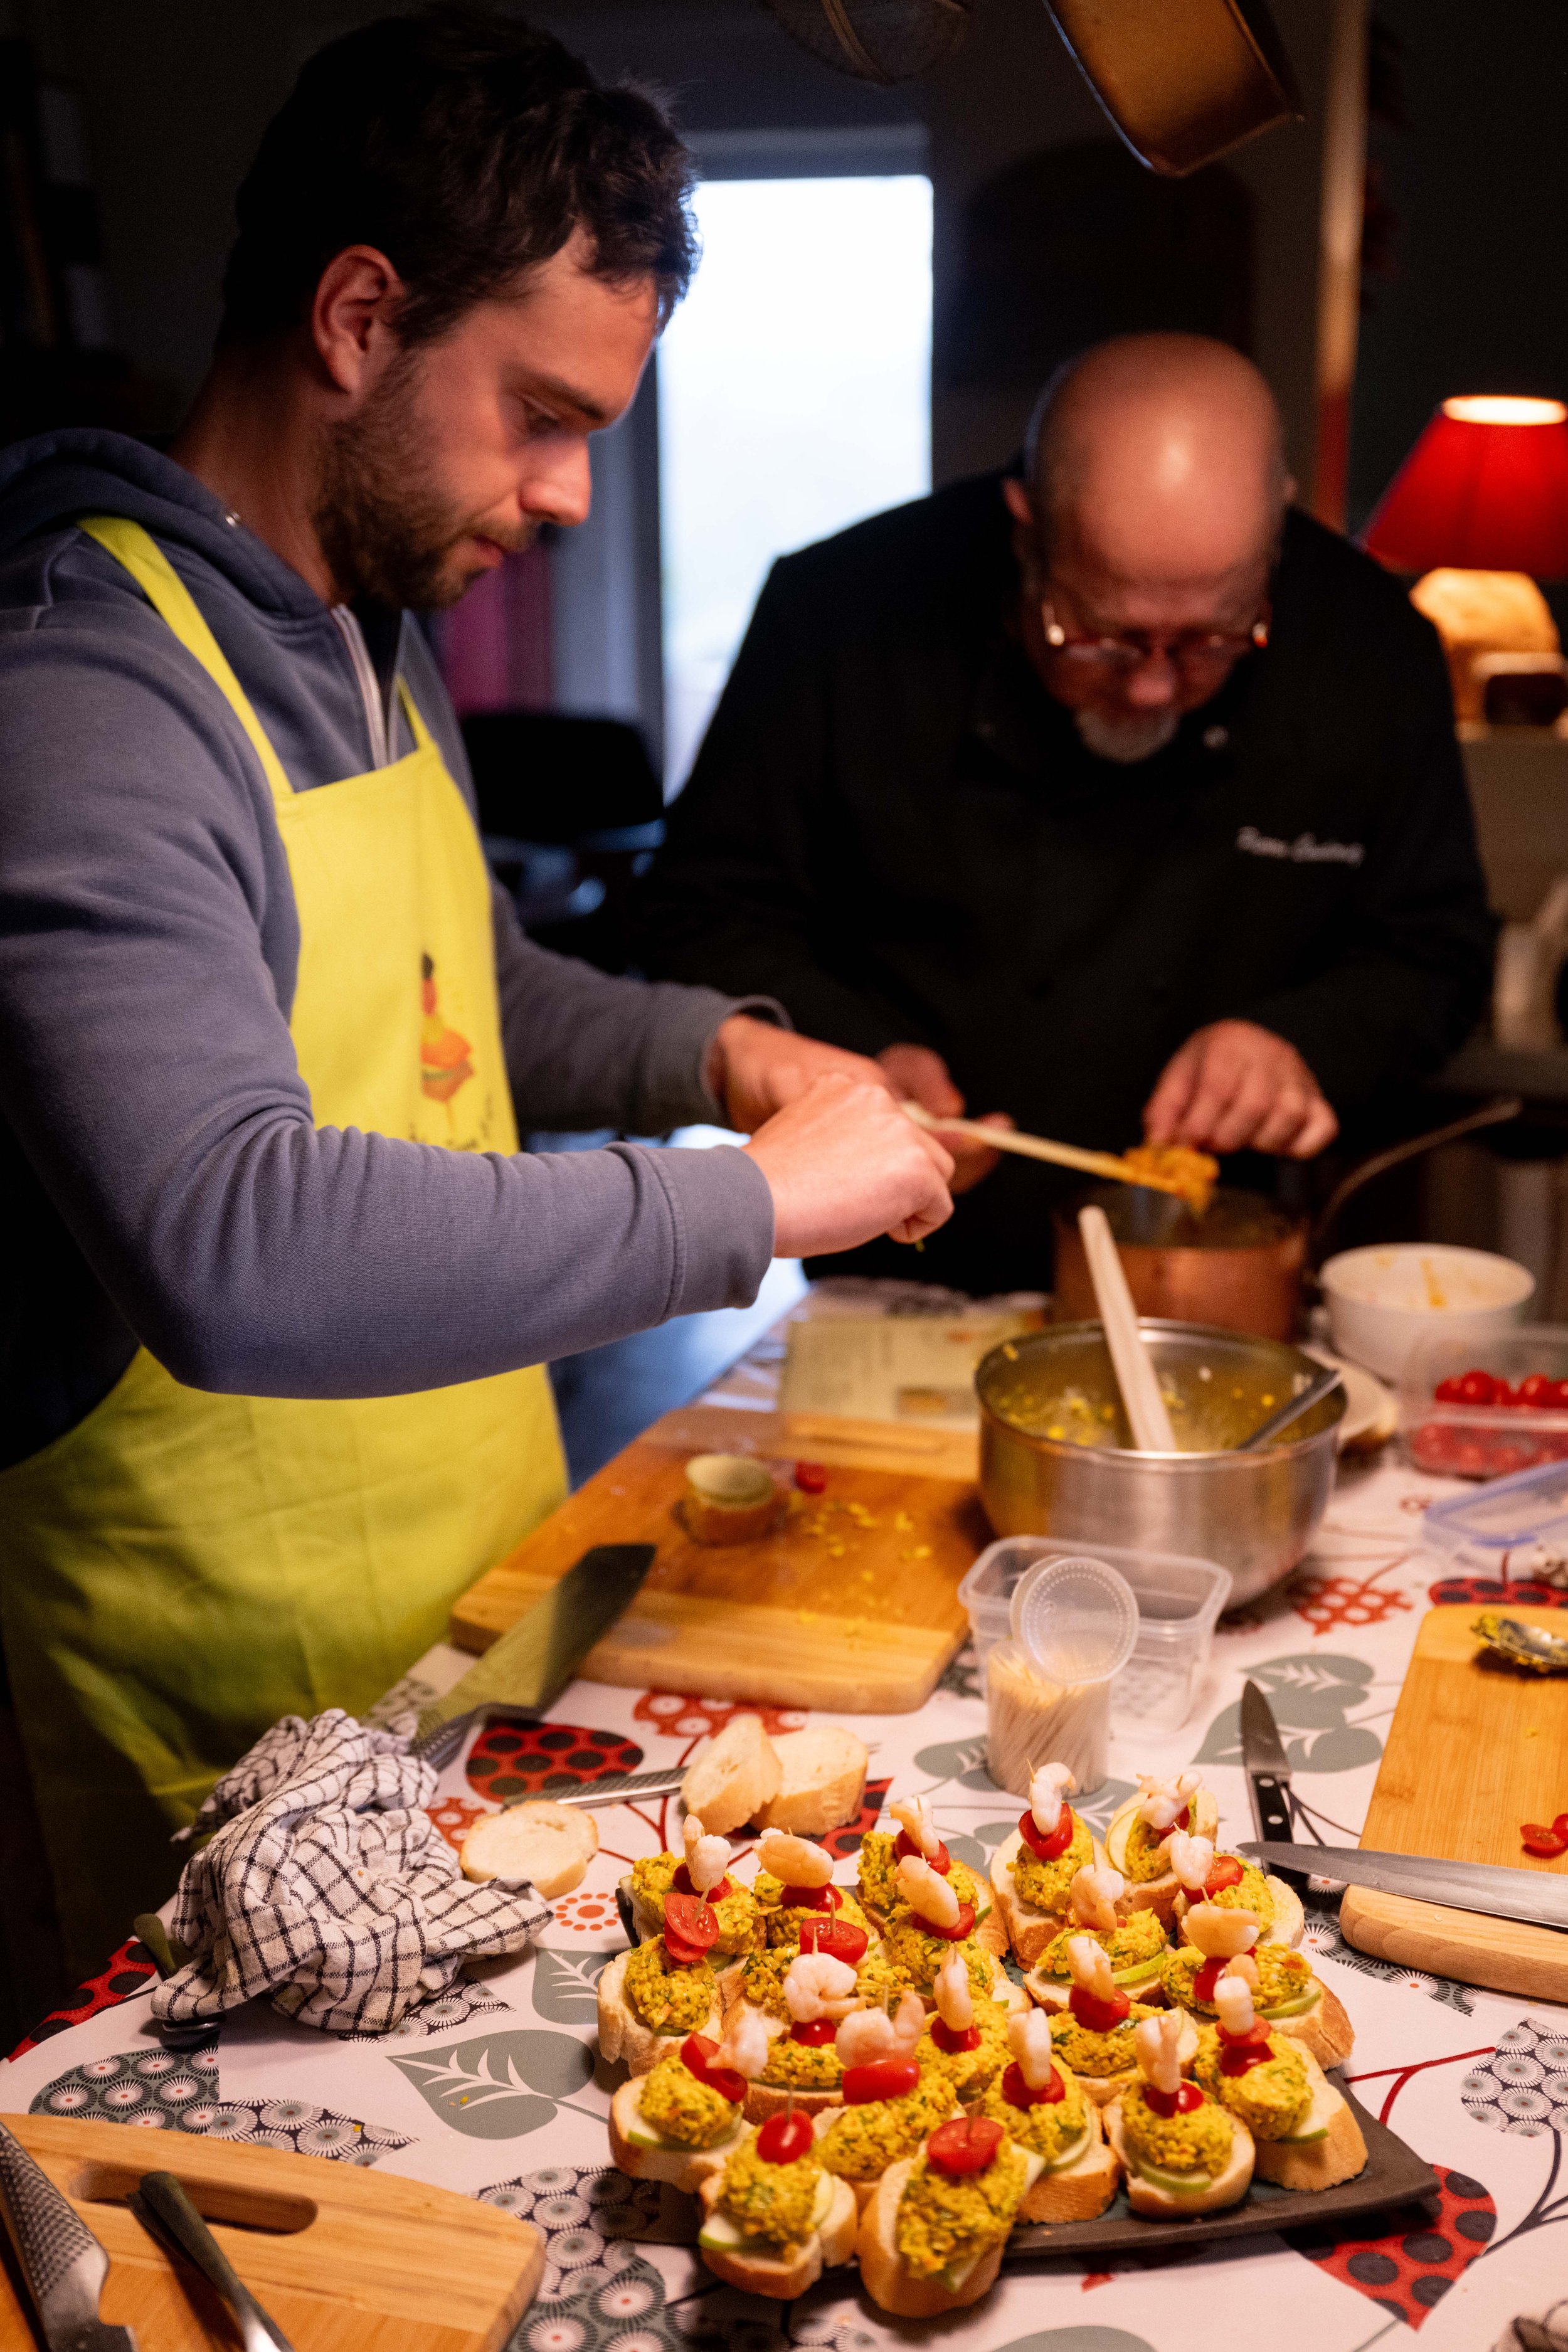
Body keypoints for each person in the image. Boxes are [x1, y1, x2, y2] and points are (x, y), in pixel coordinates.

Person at [0, 6, 955, 1992]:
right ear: (357, 318)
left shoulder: (365, 615)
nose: (573, 493)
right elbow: (231, 1240)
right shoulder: (83, 690)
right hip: (224, 1709)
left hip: (469, 1612)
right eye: (540, 411)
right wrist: (752, 1202)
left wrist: (720, 1051)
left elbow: (462, 984)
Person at [643, 334, 1496, 1295]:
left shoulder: (1375, 651)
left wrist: (1306, 1038)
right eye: (1101, 636)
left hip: (1218, 1259)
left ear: (1276, 534)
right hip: (901, 1262)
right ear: (1027, 526)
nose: (1154, 687)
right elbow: (696, 918)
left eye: (1214, 640)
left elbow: (1441, 952)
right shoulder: (841, 615)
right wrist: (850, 1058)